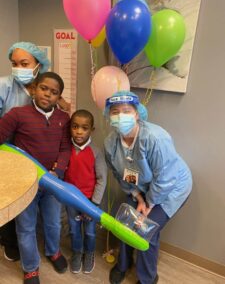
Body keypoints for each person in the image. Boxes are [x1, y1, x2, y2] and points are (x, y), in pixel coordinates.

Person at [103, 91, 192, 284]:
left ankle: (147, 279)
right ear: (108, 115)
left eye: (126, 111)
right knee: (126, 222)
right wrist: (138, 197)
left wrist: (149, 203)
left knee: (145, 231)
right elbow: (119, 174)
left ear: (137, 113)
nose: (120, 116)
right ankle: (123, 265)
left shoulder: (155, 138)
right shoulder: (110, 143)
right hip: (141, 187)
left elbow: (166, 177)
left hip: (171, 187)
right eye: (115, 111)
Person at [0, 41, 70, 262]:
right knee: (25, 225)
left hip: (51, 181)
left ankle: (53, 252)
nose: (47, 94)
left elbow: (65, 148)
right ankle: (30, 265)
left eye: (54, 92)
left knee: (52, 222)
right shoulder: (17, 112)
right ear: (35, 89)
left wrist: (57, 172)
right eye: (43, 88)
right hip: (23, 177)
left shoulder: (62, 118)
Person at [64, 109, 107, 274]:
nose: (79, 131)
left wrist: (93, 205)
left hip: (90, 202)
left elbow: (102, 179)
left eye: (84, 127)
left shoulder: (96, 152)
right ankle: (77, 252)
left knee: (89, 231)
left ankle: (89, 254)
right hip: (71, 201)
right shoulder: (65, 149)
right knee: (74, 229)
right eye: (75, 127)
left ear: (91, 130)